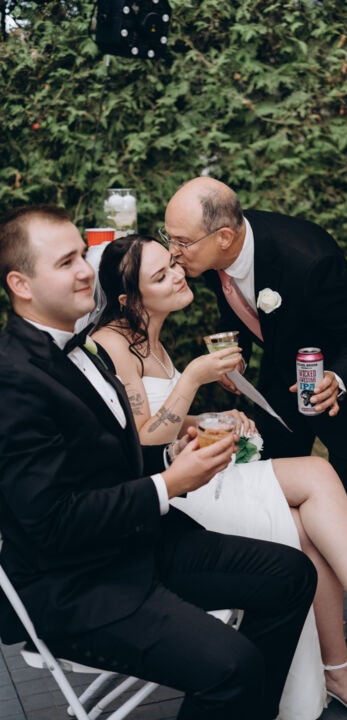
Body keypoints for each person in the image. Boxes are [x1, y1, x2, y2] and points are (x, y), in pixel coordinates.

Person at [92, 234, 347, 720]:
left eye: (172, 264)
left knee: (309, 530)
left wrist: (210, 418)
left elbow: (167, 423)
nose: (178, 275)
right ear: (127, 299)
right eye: (161, 276)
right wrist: (193, 379)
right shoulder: (113, 343)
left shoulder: (150, 337)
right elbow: (142, 438)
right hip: (173, 499)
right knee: (317, 474)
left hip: (196, 476)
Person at [0, 205, 318, 720]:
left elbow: (113, 452)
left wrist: (178, 447)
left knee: (293, 574)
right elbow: (52, 522)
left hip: (140, 542)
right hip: (77, 585)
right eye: (65, 263)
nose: (84, 271)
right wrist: (168, 484)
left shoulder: (79, 349)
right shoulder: (13, 377)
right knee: (233, 667)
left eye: (82, 255)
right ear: (21, 284)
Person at [163, 177, 347, 623]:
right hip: (281, 377)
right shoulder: (211, 256)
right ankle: (294, 597)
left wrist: (337, 378)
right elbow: (236, 303)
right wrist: (237, 356)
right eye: (169, 238)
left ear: (224, 237)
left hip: (345, 383)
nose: (173, 253)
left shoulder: (308, 260)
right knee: (271, 479)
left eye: (181, 242)